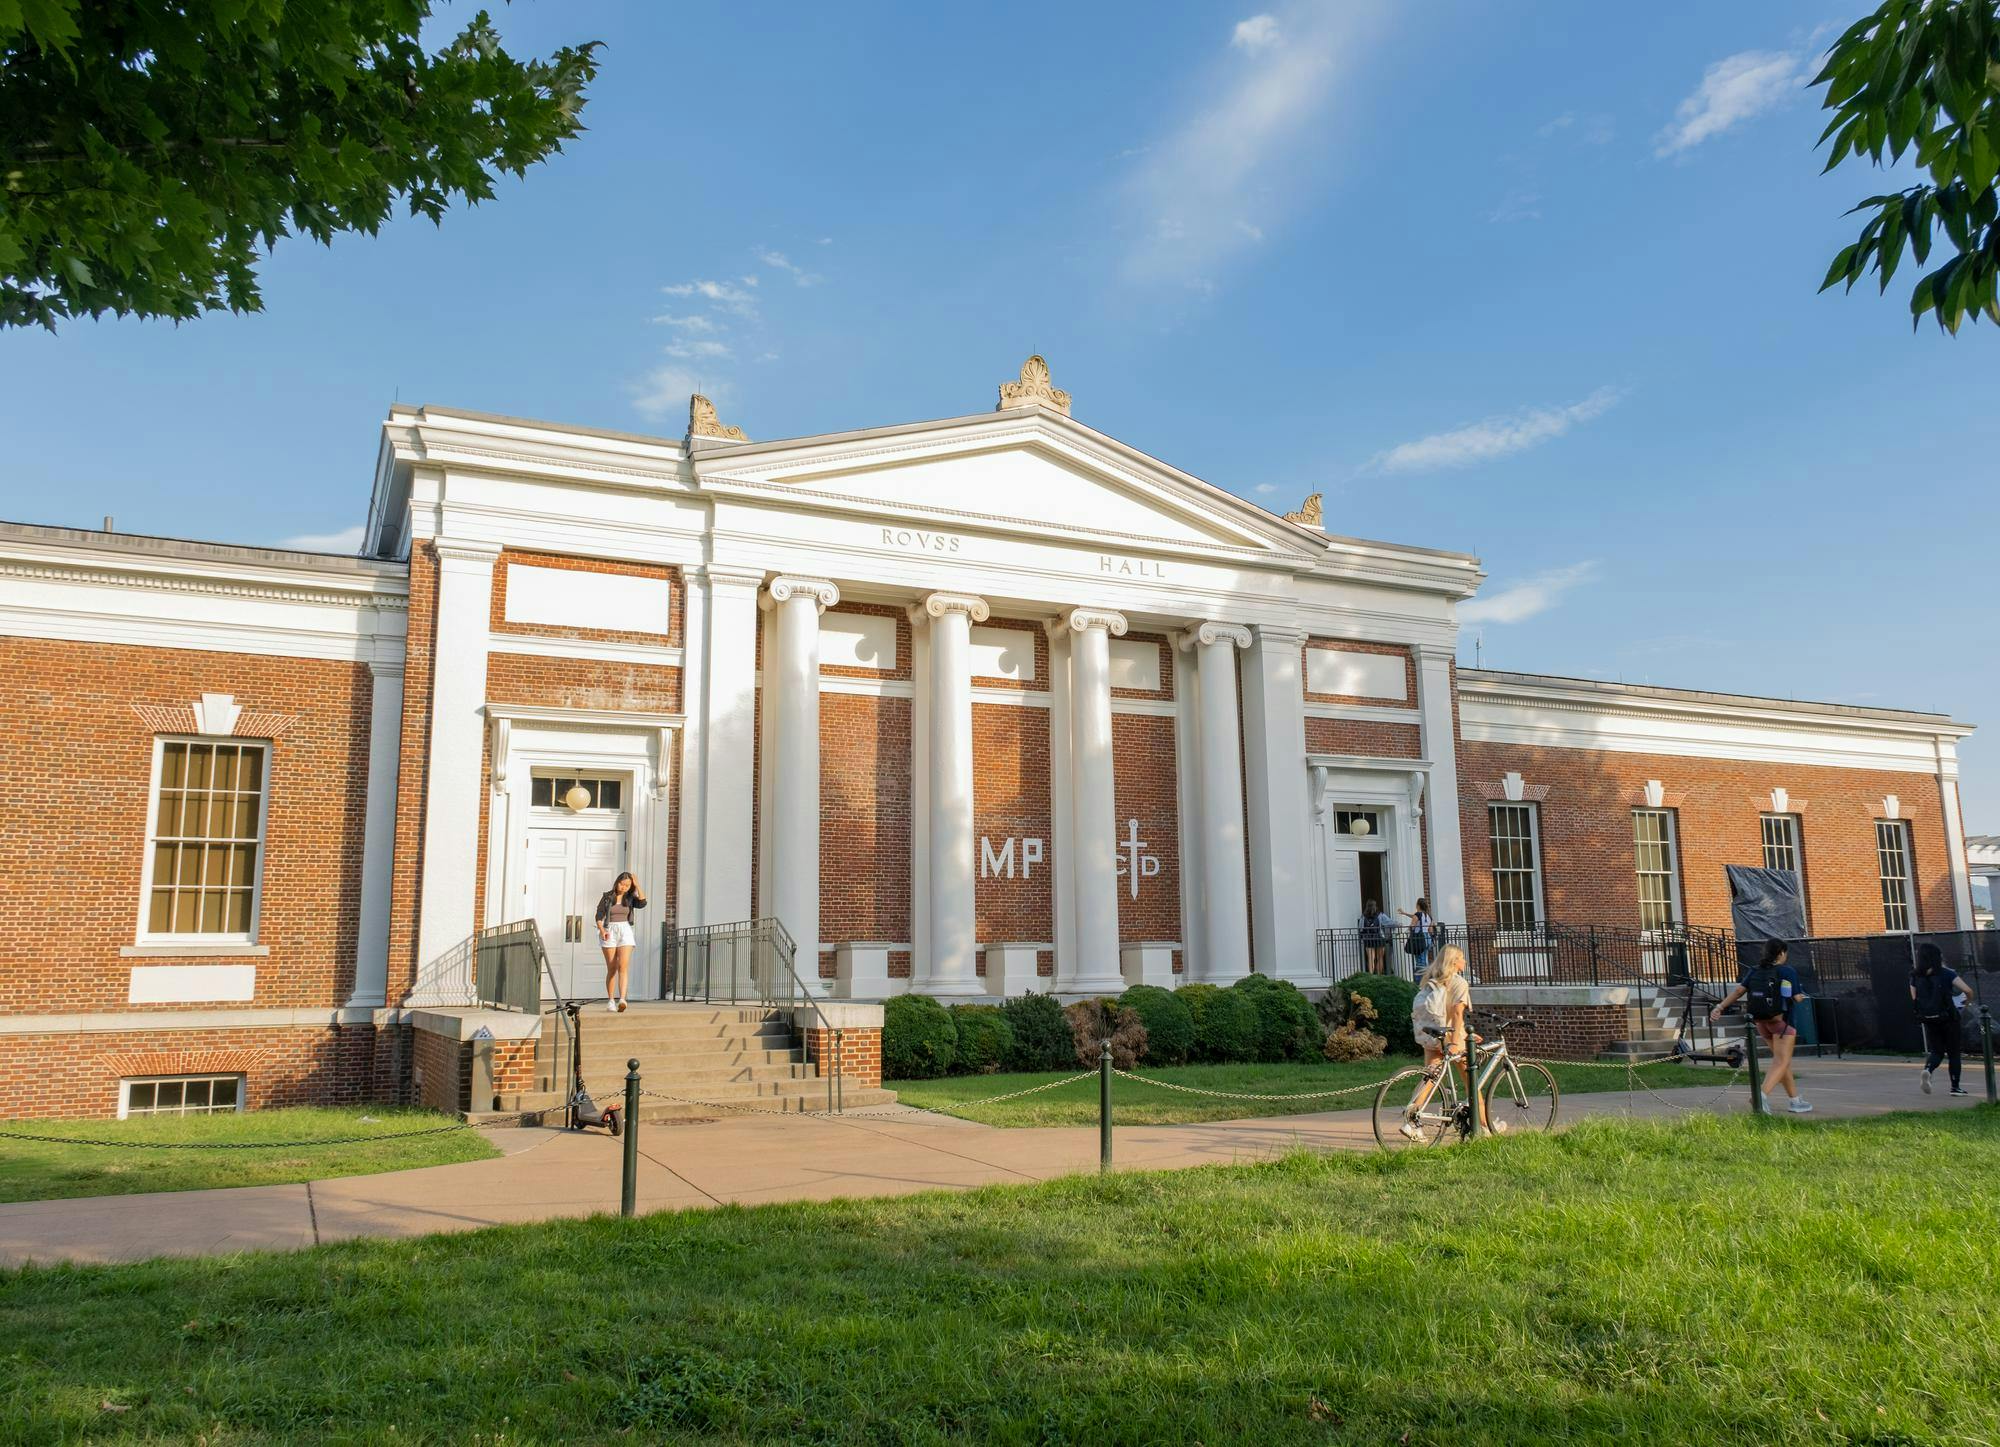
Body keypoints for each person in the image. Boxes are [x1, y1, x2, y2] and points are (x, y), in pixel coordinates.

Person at [1710, 939, 1811, 1113]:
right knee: (1782, 1061)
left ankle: (1795, 1101)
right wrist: (1801, 995)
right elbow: (1797, 998)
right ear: (1781, 953)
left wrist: (1720, 1007)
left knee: (1782, 1062)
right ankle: (1760, 1096)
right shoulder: (1787, 971)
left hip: (1760, 1022)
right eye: (1785, 953)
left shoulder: (1755, 970)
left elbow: (1739, 991)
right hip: (1782, 1022)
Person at [1401, 944, 1492, 1138]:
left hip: (1433, 1035)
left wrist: (1465, 1035)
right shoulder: (1459, 983)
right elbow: (1457, 1014)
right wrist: (1458, 1040)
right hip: (1451, 1038)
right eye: (1462, 958)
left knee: (1430, 1079)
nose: (1465, 961)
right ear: (1455, 961)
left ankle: (1411, 1120)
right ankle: (1484, 1127)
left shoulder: (1432, 980)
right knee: (1472, 1082)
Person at [1910, 942, 1974, 1097]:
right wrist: (1967, 1002)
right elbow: (1967, 990)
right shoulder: (1946, 973)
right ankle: (1955, 1087)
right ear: (1938, 957)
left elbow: (1914, 997)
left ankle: (1928, 1070)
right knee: (1953, 1053)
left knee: (1937, 1051)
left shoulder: (1914, 975)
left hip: (1929, 1018)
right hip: (1948, 1017)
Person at [595, 872, 646, 1012]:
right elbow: (599, 915)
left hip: (625, 930)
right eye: (622, 884)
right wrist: (602, 930)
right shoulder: (607, 897)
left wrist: (637, 884)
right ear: (617, 882)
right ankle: (611, 1000)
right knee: (612, 968)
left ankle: (622, 999)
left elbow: (642, 903)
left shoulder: (630, 898)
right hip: (609, 930)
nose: (624, 887)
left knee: (623, 966)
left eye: (628, 885)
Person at [1399, 897, 1434, 978]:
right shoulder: (1428, 916)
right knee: (1424, 960)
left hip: (1420, 938)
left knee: (1419, 961)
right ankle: (1426, 978)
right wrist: (1404, 913)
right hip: (1427, 938)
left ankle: (1420, 981)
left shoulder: (1418, 915)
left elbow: (1412, 926)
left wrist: (1403, 934)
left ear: (1418, 905)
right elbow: (1430, 929)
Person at [1359, 899, 1393, 974]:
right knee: (1380, 958)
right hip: (1379, 938)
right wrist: (1399, 924)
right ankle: (1379, 976)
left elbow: (1361, 928)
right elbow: (1389, 922)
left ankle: (1371, 977)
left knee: (1371, 958)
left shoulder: (1363, 916)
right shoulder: (1380, 915)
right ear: (1375, 906)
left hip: (1368, 939)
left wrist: (1362, 938)